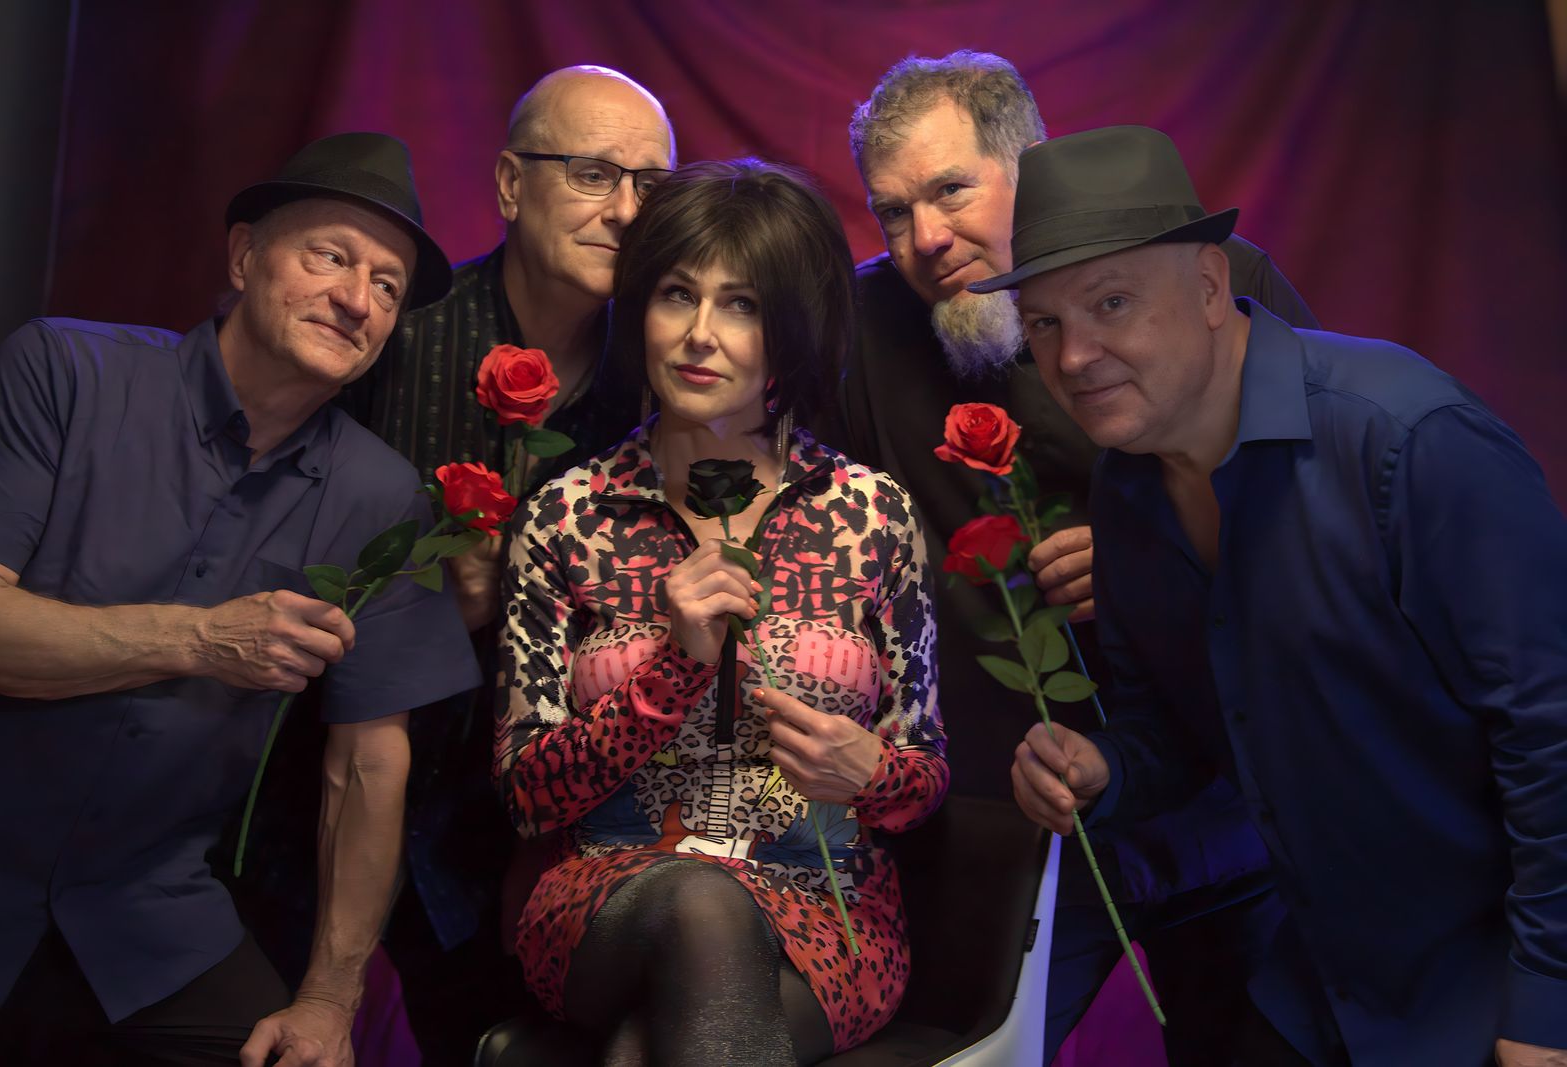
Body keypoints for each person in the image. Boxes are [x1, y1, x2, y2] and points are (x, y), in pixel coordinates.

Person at [998, 125, 1567, 1067]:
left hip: (1491, 975)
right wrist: (1107, 768)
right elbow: (1175, 732)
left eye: (1111, 303)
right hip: (1327, 976)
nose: (1074, 356)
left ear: (1209, 287)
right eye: (1044, 324)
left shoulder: (1407, 439)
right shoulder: (1126, 486)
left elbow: (1552, 731)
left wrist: (1547, 1010)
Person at [837, 50, 1314, 1061]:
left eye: (951, 190)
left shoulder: (1207, 279)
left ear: (1033, 166)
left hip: (1226, 791)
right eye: (892, 212)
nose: (926, 237)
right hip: (1008, 814)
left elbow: (1320, 516)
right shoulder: (858, 324)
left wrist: (1160, 550)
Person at [0, 132, 480, 1067]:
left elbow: (369, 764)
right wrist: (201, 639)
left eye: (388, 285)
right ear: (244, 257)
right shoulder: (65, 373)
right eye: (329, 256)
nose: (357, 299)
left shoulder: (383, 499)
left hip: (149, 921)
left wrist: (328, 1000)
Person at [496, 159, 948, 1065]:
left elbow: (923, 779)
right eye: (677, 295)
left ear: (794, 329)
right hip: (610, 898)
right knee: (702, 907)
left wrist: (868, 772)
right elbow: (525, 797)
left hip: (827, 907)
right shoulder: (568, 514)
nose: (699, 335)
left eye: (741, 305)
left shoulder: (871, 514)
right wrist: (669, 673)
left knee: (653, 1045)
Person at [289, 67, 674, 1064]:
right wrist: (430, 605)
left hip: (533, 831)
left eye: (651, 185)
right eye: (594, 174)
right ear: (510, 184)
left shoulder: (662, 378)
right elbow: (276, 551)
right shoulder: (396, 336)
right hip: (315, 787)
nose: (626, 211)